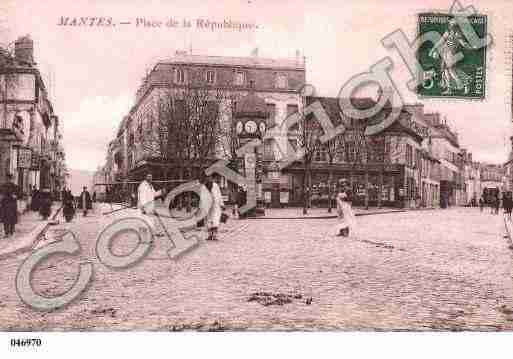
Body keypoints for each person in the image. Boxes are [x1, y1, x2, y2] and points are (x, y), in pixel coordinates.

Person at [205, 174, 224, 241]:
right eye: (207, 177)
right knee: (208, 220)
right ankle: (210, 235)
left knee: (215, 220)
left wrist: (221, 204)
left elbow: (219, 195)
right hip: (207, 206)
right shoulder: (204, 186)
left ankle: (215, 235)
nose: (209, 179)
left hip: (215, 205)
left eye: (210, 177)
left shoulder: (215, 186)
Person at [0, 173, 19, 238]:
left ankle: (10, 231)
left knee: (11, 218)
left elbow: (18, 195)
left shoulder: (14, 186)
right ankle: (7, 232)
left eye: (10, 179)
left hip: (11, 204)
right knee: (6, 219)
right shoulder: (3, 186)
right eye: (8, 179)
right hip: (6, 204)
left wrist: (15, 196)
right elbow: (1, 194)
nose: (9, 180)